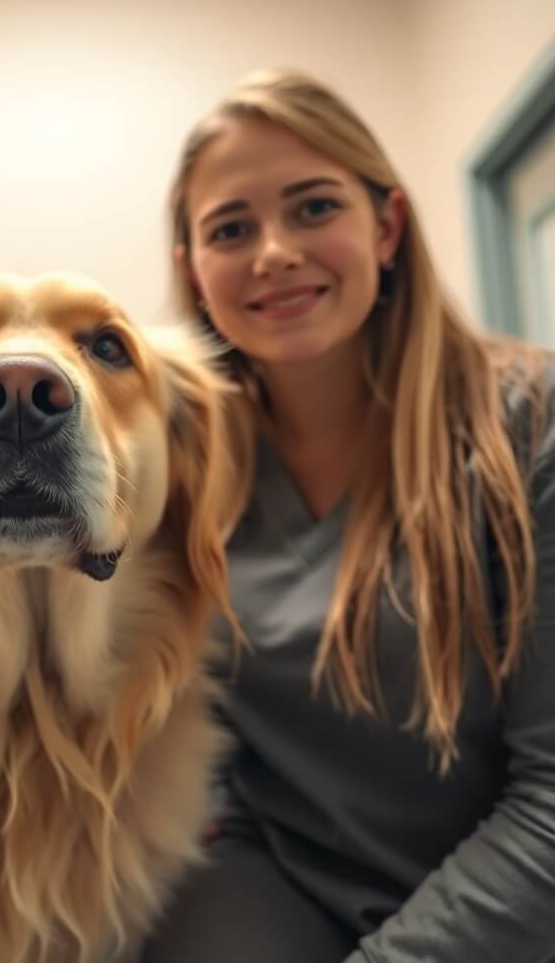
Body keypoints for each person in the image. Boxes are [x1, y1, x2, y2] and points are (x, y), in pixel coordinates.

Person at [143, 70, 555, 962]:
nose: (275, 252)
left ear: (388, 226)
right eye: (230, 229)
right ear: (191, 267)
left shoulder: (529, 426)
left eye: (314, 207)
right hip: (282, 889)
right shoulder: (182, 473)